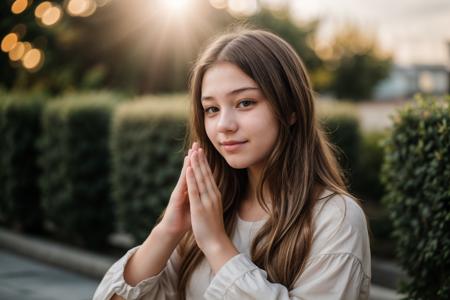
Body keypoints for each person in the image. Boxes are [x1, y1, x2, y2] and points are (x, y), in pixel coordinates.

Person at [93, 28, 371, 300]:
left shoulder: (336, 219)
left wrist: (216, 245)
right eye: (211, 109)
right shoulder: (210, 209)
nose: (224, 125)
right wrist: (168, 230)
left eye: (245, 102)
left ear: (290, 110)